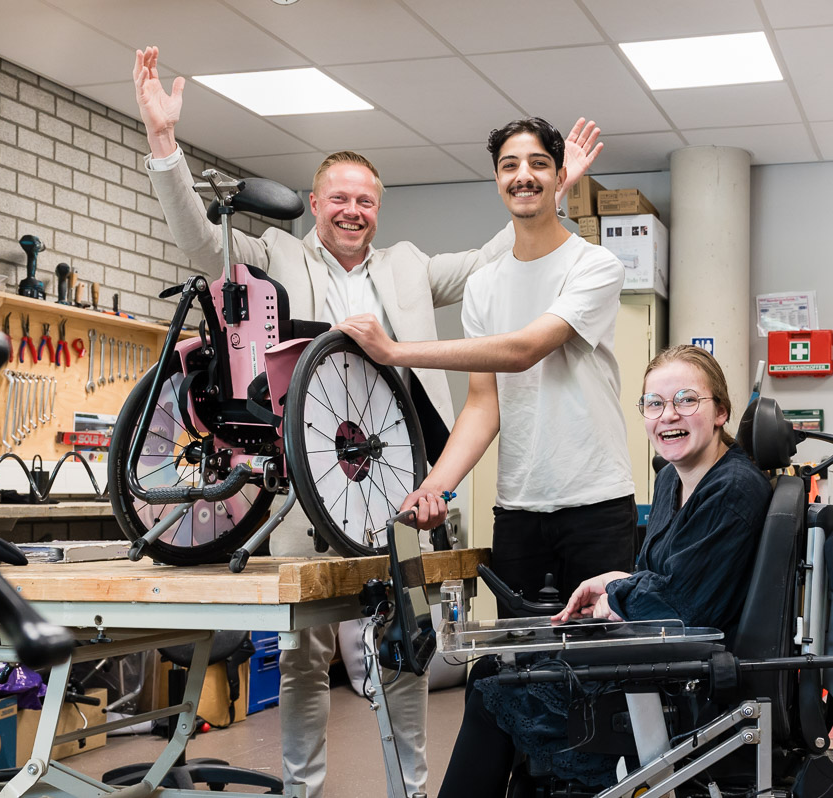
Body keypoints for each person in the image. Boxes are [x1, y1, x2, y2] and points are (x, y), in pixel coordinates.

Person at [132, 47, 603, 798]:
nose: (353, 210)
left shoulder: (410, 266)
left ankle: (411, 791)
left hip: (395, 489)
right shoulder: (274, 255)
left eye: (366, 201)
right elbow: (197, 241)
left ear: (377, 210)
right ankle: (304, 790)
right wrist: (164, 144)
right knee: (302, 658)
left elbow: (495, 257)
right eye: (339, 198)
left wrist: (555, 187)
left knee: (404, 652)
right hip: (300, 488)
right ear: (316, 204)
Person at [435, 345, 773, 796]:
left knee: (497, 685)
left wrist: (616, 590)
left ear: (720, 413)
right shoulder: (672, 478)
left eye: (687, 400)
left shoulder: (731, 490)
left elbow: (680, 606)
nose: (668, 415)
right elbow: (659, 578)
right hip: (664, 657)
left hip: (690, 682)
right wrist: (615, 583)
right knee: (494, 673)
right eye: (655, 404)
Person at [337, 117, 638, 612]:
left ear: (560, 177)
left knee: (595, 666)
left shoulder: (595, 265)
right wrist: (435, 486)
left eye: (539, 164)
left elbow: (522, 351)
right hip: (518, 510)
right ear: (498, 181)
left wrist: (395, 351)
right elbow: (483, 404)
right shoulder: (483, 285)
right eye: (510, 166)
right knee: (517, 667)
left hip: (597, 505)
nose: (524, 175)